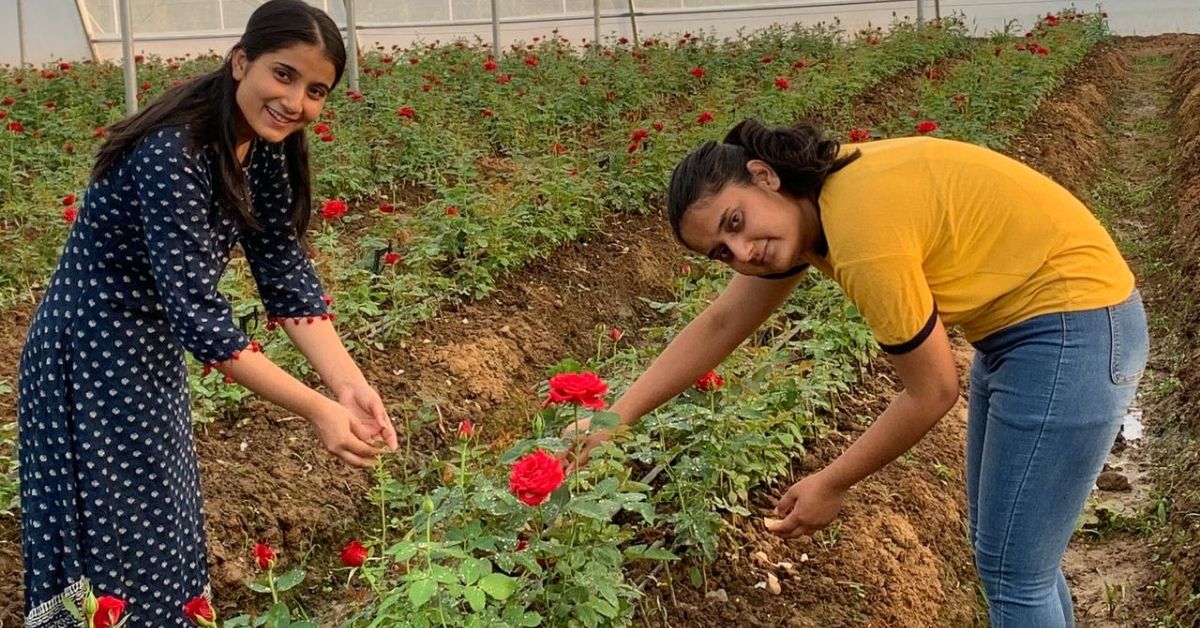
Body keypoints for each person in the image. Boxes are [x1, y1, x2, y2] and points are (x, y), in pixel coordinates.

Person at [565, 119, 1147, 627]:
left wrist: (832, 481)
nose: (742, 252)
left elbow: (932, 391)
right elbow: (721, 323)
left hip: (1070, 329)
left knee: (1015, 575)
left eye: (735, 222)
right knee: (1014, 566)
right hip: (1037, 331)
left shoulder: (860, 229)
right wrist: (616, 416)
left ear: (764, 176)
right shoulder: (815, 206)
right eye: (721, 250)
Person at [17, 2, 398, 625]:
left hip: (146, 354)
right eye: (283, 75)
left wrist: (350, 387)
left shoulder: (261, 144)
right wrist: (317, 408)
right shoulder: (176, 149)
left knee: (160, 525)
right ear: (240, 61)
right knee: (105, 540)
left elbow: (283, 270)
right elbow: (200, 317)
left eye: (315, 90)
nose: (295, 101)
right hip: (87, 358)